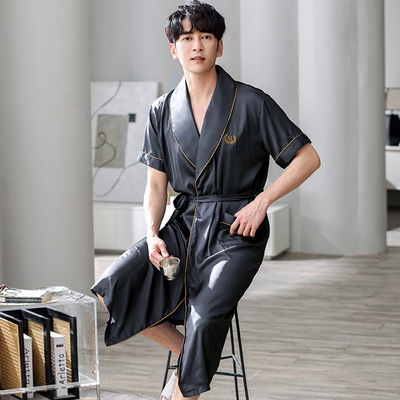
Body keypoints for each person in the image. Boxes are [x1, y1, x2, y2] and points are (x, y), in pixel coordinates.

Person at [91, 1, 321, 399]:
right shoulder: (161, 110)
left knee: (205, 315)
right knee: (114, 286)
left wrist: (262, 201)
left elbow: (308, 158)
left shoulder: (251, 103)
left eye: (206, 36)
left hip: (236, 230)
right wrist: (152, 234)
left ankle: (185, 385)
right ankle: (192, 355)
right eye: (186, 38)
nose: (196, 45)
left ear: (219, 46)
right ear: (173, 49)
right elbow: (156, 186)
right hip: (184, 226)